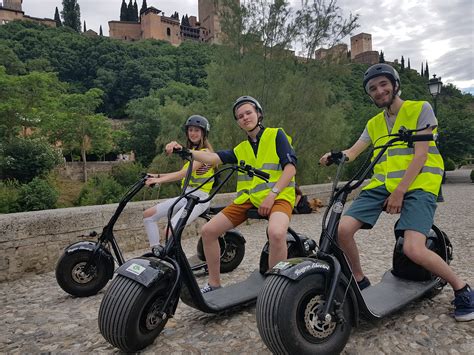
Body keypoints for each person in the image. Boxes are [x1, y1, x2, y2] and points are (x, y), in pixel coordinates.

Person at [319, 63, 473, 322]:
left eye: (383, 84)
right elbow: (354, 151)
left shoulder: (420, 109)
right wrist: (336, 156)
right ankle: (359, 279)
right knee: (341, 230)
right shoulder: (374, 123)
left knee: (413, 248)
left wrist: (400, 192)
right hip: (383, 185)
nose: (379, 91)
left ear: (395, 84)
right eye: (373, 88)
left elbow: (421, 156)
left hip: (419, 183)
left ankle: (463, 289)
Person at [165, 96, 297, 293]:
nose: (245, 118)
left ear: (259, 114)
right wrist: (183, 151)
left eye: (248, 113)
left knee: (277, 233)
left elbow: (290, 169)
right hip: (249, 199)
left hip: (278, 197)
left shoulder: (276, 135)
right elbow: (211, 157)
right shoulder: (241, 148)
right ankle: (214, 283)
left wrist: (272, 194)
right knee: (209, 232)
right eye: (240, 116)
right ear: (238, 122)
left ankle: (275, 289)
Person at [143, 115, 215, 249]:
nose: (193, 133)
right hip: (186, 196)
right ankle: (156, 250)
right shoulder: (192, 154)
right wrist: (154, 175)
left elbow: (182, 174)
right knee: (148, 215)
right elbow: (181, 174)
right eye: (190, 130)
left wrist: (158, 180)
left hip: (199, 199)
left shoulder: (205, 153)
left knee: (169, 230)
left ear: (204, 133)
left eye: (197, 130)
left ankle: (174, 262)